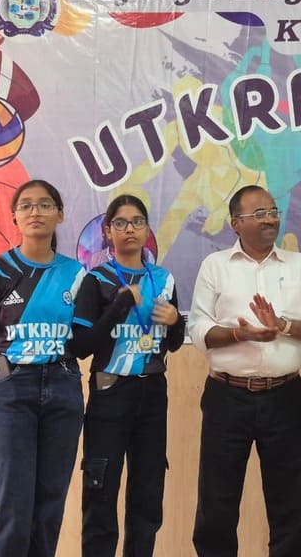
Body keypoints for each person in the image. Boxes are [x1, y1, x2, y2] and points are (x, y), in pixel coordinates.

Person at [188, 184, 301, 557]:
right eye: (259, 214)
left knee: (289, 503)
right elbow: (199, 329)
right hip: (226, 397)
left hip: (284, 397)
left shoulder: (300, 266)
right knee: (217, 504)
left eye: (273, 212)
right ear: (236, 223)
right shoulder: (215, 266)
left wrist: (284, 326)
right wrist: (240, 334)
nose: (270, 219)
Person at [0, 179, 86, 557]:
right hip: (11, 391)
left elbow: (86, 339)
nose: (36, 212)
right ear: (14, 216)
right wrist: (2, 389)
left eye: (45, 205)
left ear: (60, 215)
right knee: (14, 506)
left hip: (64, 389)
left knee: (49, 506)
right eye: (27, 205)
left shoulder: (78, 274)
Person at [69, 195, 185, 556]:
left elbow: (173, 344)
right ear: (108, 231)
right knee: (101, 490)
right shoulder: (96, 280)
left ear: (147, 230)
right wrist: (120, 305)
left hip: (152, 394)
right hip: (110, 393)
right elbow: (82, 346)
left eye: (137, 222)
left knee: (148, 494)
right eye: (120, 223)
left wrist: (175, 323)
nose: (129, 229)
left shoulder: (163, 280)